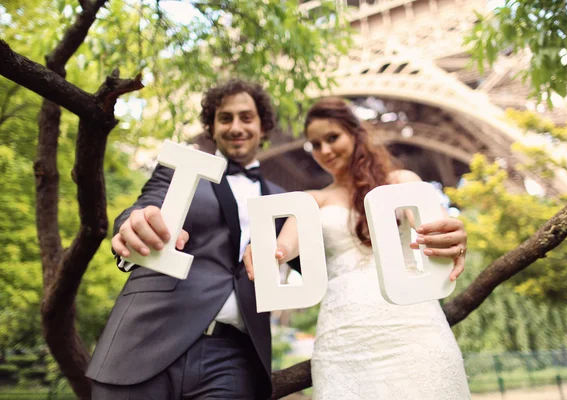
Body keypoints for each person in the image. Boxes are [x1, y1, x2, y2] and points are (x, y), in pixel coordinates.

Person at [244, 97, 471, 399]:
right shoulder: (311, 201)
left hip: (414, 330)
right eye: (315, 144)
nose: (324, 150)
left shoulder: (400, 183)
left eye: (332, 138)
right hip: (343, 339)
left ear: (355, 134)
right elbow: (283, 247)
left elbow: (435, 226)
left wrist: (452, 238)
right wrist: (264, 253)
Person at [86, 79, 299, 400]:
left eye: (246, 117)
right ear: (211, 128)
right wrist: (136, 224)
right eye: (225, 118)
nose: (236, 126)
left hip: (234, 359)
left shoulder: (286, 201)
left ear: (263, 126)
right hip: (148, 340)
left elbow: (313, 263)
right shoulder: (178, 172)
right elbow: (147, 206)